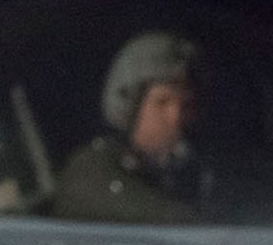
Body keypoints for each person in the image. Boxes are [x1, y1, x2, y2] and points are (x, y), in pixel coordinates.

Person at [53, 31, 209, 224]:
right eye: (162, 102)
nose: (175, 118)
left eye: (186, 105)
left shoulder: (194, 172)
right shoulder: (92, 169)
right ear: (129, 105)